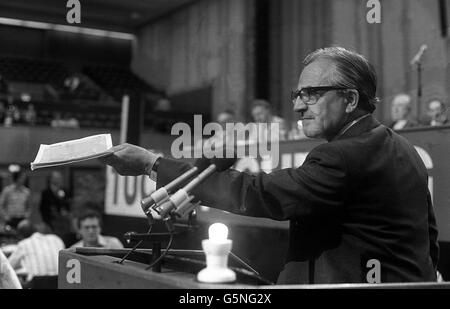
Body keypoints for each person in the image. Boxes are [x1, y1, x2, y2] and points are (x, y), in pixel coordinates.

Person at [100, 47, 439, 284]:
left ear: (350, 99)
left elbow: (260, 194)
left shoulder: (341, 156)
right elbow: (428, 238)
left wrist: (152, 163)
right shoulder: (405, 148)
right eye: (297, 95)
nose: (298, 106)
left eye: (312, 94)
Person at [8, 220, 64, 285]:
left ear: (21, 236)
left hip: (39, 283)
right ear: (36, 229)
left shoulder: (23, 244)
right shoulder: (56, 239)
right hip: (61, 281)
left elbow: (8, 266)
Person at [39, 171, 75, 247]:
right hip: (51, 222)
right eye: (57, 178)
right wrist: (47, 221)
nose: (59, 180)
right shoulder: (46, 193)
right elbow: (42, 209)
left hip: (63, 222)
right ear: (51, 179)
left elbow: (68, 205)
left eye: (60, 178)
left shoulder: (64, 191)